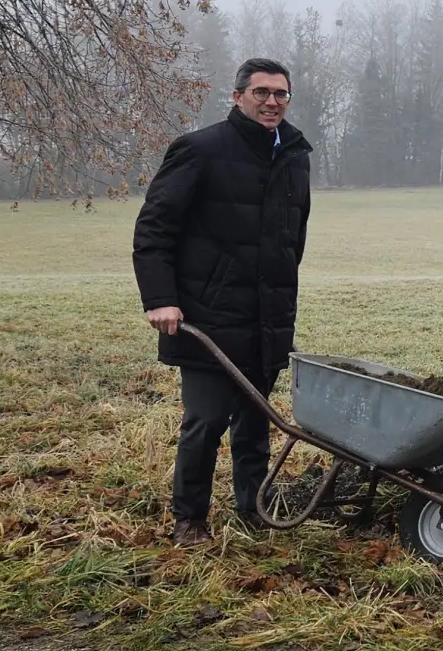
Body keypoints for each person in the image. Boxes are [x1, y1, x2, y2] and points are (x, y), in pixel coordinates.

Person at [132, 58, 313, 548]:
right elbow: (154, 229)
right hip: (209, 316)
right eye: (261, 93)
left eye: (281, 93)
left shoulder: (296, 154)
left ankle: (252, 505)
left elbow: (293, 236)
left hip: (268, 316)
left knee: (255, 421)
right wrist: (162, 299)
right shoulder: (200, 150)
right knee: (205, 422)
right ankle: (189, 520)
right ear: (238, 97)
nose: (272, 102)